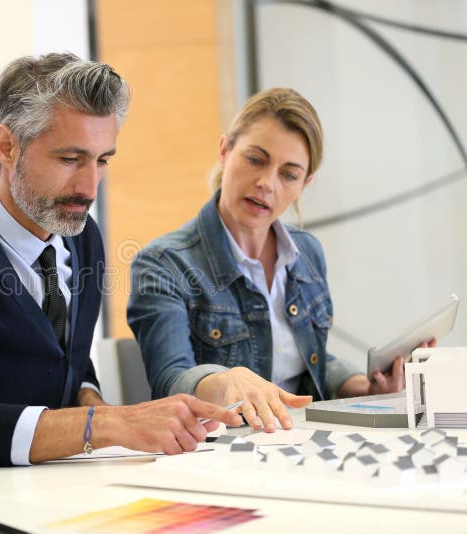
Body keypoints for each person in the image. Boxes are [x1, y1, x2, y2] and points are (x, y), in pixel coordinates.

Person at [0, 52, 242, 467]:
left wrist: (93, 402)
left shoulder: (81, 234)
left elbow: (64, 358)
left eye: (102, 161)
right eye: (70, 159)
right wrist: (109, 425)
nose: (89, 187)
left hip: (50, 487)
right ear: (7, 145)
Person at [127, 87, 430, 433]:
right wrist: (227, 381)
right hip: (220, 449)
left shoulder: (307, 253)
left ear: (305, 183)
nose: (266, 183)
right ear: (225, 151)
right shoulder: (163, 263)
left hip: (295, 439)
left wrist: (366, 386)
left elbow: (306, 365)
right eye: (256, 159)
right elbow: (169, 379)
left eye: (289, 174)